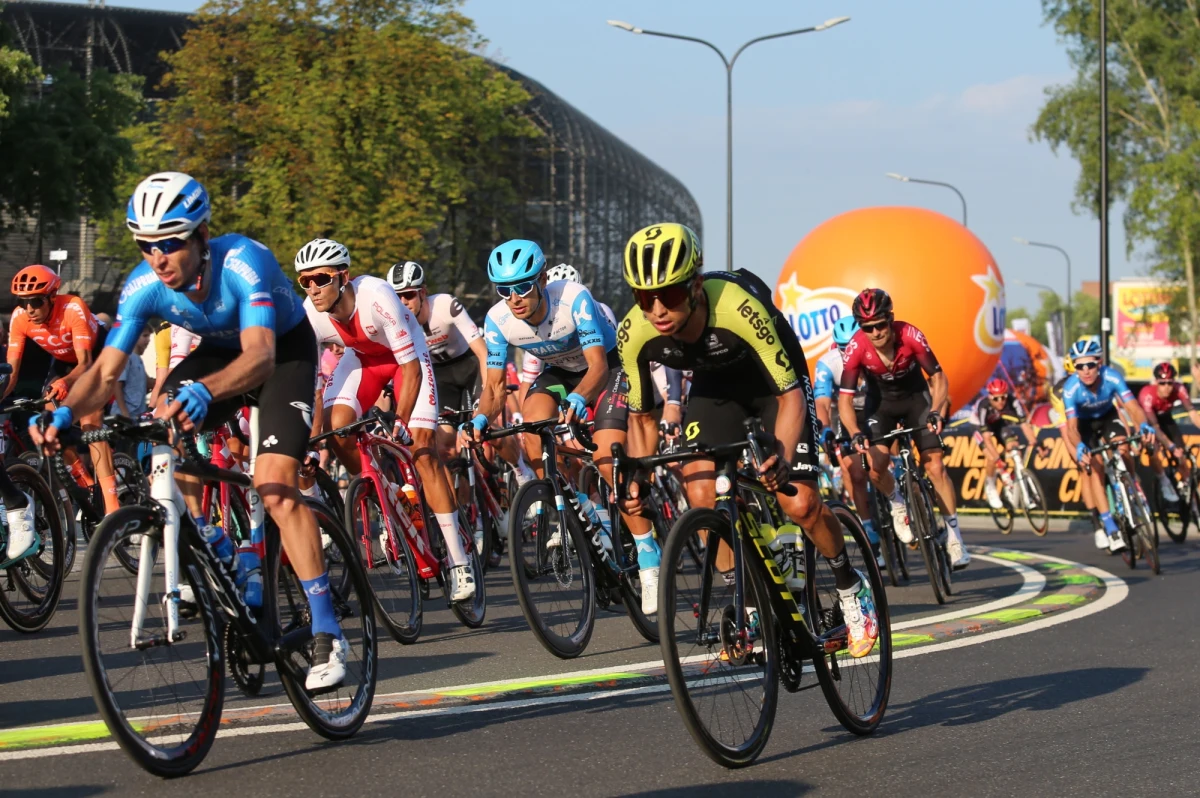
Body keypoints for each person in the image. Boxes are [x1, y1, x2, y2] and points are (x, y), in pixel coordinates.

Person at [29, 171, 348, 690]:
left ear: (202, 236)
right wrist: (64, 414)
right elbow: (105, 372)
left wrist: (209, 391)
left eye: (171, 244)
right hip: (219, 353)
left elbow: (261, 357)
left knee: (273, 486)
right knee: (162, 427)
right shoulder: (143, 287)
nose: (159, 258)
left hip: (281, 352)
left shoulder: (245, 262)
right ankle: (214, 540)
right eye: (147, 246)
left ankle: (327, 631)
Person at [614, 223, 878, 658]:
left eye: (671, 295)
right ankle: (749, 601)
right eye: (645, 297)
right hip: (715, 387)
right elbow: (641, 418)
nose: (657, 309)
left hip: (773, 383)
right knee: (701, 494)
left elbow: (790, 396)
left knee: (801, 503)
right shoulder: (635, 333)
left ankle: (851, 586)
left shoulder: (737, 308)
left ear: (696, 286)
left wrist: (783, 456)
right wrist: (639, 473)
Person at [297, 239, 475, 602]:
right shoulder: (311, 315)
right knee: (337, 428)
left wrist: (403, 421)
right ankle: (383, 490)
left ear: (343, 277)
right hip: (363, 361)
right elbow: (311, 386)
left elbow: (409, 368)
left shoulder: (376, 296)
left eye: (320, 278)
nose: (313, 289)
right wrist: (312, 441)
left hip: (407, 360)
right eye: (305, 281)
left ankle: (459, 561)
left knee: (422, 450)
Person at [459, 240, 637, 603]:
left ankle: (649, 554)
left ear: (542, 278)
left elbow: (598, 366)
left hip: (605, 367)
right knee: (533, 433)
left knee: (605, 456)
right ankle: (581, 510)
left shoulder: (574, 299)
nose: (515, 298)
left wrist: (578, 400)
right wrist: (480, 418)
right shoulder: (498, 319)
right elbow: (494, 387)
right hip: (559, 372)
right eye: (504, 290)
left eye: (523, 286)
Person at [839, 287, 970, 570]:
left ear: (891, 318)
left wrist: (936, 410)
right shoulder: (856, 348)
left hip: (915, 399)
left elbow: (938, 376)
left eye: (880, 325)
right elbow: (845, 400)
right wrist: (854, 432)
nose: (875, 332)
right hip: (881, 404)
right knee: (875, 466)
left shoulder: (910, 335)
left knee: (935, 466)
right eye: (867, 327)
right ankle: (897, 502)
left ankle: (954, 535)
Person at [5, 265, 122, 518]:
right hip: (64, 363)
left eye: (36, 302)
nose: (29, 310)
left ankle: (113, 506)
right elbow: (11, 375)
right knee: (48, 424)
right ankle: (85, 482)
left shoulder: (72, 307)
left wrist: (66, 382)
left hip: (97, 359)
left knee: (91, 423)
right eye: (24, 303)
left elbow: (86, 364)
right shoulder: (19, 318)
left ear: (51, 297)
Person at [1060, 336, 1152, 552]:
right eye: (1079, 366)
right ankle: (1110, 526)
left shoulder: (1112, 377)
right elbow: (1071, 428)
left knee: (1123, 446)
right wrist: (1079, 446)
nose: (1085, 370)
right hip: (1084, 424)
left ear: (1099, 364)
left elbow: (1133, 408)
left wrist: (1143, 426)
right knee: (1095, 468)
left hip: (1107, 416)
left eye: (1090, 364)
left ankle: (1131, 485)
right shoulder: (1071, 389)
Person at [813, 316, 882, 564]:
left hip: (876, 408)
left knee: (889, 458)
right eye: (844, 347)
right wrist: (826, 432)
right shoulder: (828, 364)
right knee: (854, 471)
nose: (851, 351)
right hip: (844, 411)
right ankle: (869, 529)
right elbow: (821, 403)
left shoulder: (878, 354)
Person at [972, 378, 1043, 510]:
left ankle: (1013, 479)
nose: (1000, 402)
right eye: (996, 399)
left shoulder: (1013, 401)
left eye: (1003, 398)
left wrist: (1035, 443)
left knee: (1013, 445)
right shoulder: (983, 406)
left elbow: (1024, 425)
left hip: (998, 423)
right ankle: (991, 486)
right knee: (991, 457)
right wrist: (997, 460)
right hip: (979, 426)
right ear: (990, 397)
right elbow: (987, 439)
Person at [1138, 362, 1199, 504]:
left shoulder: (1179, 389)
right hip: (1150, 422)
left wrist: (1177, 450)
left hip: (1166, 419)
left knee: (1181, 454)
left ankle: (1189, 493)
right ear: (1156, 382)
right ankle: (1163, 480)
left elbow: (1193, 414)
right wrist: (1170, 446)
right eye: (1163, 383)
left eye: (1170, 383)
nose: (1167, 387)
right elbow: (1156, 428)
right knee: (1153, 449)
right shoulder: (1147, 395)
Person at [115, 325, 152, 418]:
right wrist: (124, 412)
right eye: (145, 336)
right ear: (134, 336)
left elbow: (149, 383)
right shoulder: (126, 358)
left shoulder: (138, 359)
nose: (148, 340)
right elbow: (116, 385)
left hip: (137, 415)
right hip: (125, 415)